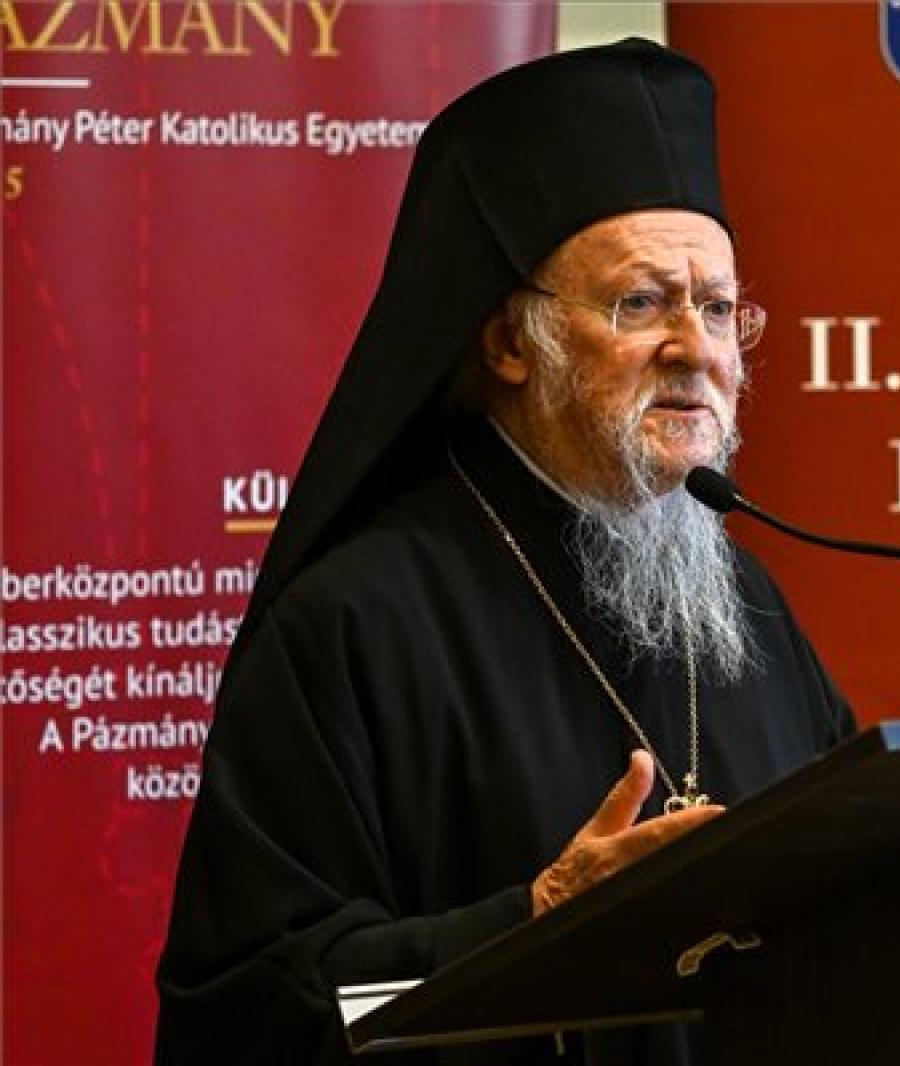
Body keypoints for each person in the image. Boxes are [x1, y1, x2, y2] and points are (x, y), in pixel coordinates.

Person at [155, 39, 854, 1065]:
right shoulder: (355, 625)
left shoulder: (744, 604)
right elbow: (249, 1009)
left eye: (716, 308)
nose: (696, 348)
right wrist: (535, 923)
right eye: (641, 302)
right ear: (511, 343)